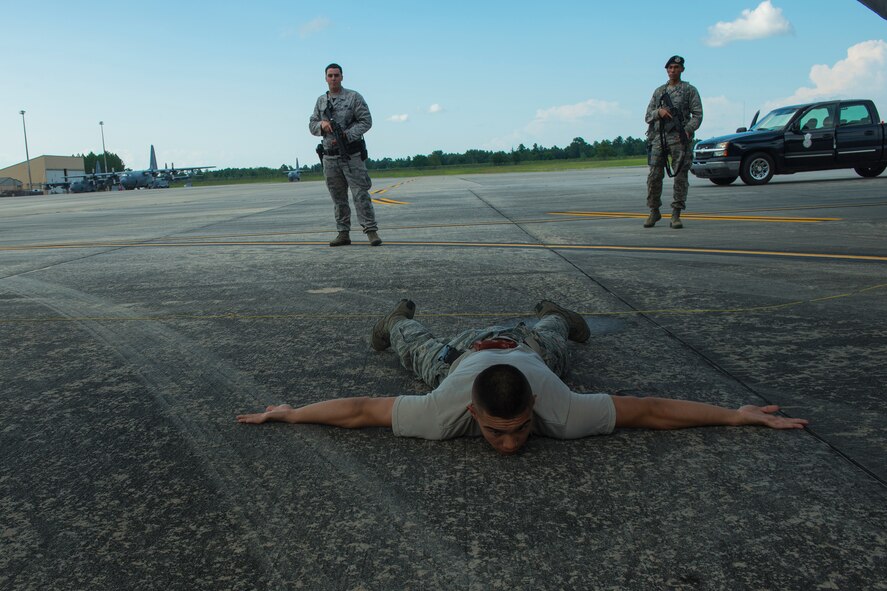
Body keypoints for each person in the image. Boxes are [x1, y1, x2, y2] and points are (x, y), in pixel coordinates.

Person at [237, 299, 808, 455]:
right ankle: (398, 319)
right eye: (498, 432)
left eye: (518, 429)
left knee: (555, 335)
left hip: (525, 348)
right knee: (414, 347)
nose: (510, 443)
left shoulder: (559, 408)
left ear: (534, 406)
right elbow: (361, 409)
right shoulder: (444, 411)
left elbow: (650, 409)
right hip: (462, 359)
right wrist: (286, 414)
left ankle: (554, 313)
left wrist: (737, 415)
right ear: (472, 415)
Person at [309, 63, 381, 247]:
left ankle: (371, 231)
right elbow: (312, 125)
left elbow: (366, 121)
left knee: (360, 194)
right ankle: (343, 233)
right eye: (330, 75)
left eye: (336, 75)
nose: (333, 79)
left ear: (342, 77)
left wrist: (346, 136)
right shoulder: (321, 101)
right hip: (330, 158)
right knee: (338, 198)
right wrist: (321, 126)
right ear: (325, 78)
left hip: (351, 156)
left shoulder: (353, 97)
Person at [644, 55, 703, 229]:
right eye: (670, 68)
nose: (672, 71)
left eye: (676, 68)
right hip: (659, 138)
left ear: (682, 70)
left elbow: (698, 115)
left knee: (680, 177)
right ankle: (654, 211)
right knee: (654, 176)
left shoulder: (689, 90)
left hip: (679, 138)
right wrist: (659, 112)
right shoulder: (659, 91)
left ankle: (676, 214)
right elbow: (647, 115)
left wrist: (687, 130)